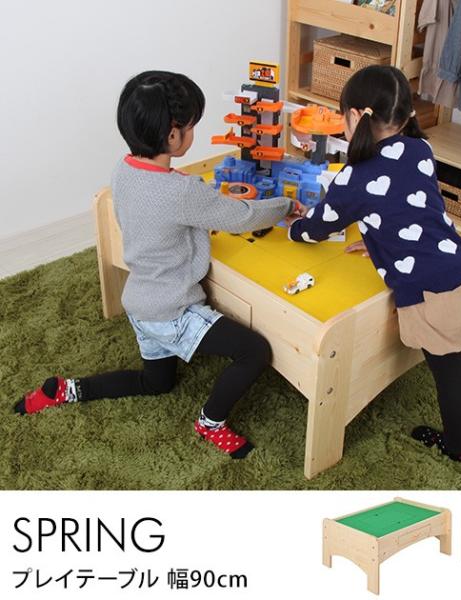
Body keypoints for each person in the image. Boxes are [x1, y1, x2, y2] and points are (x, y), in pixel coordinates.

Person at [16, 70, 301, 459]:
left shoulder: (123, 169)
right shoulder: (181, 190)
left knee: (157, 383)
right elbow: (242, 216)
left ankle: (67, 389)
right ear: (172, 135)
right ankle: (210, 422)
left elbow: (158, 208)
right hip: (171, 311)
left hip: (139, 303)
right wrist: (286, 205)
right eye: (191, 126)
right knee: (254, 351)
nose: (194, 132)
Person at [287, 65, 461, 474]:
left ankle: (457, 444)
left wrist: (294, 227)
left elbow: (317, 227)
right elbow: (409, 206)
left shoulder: (354, 177)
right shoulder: (420, 150)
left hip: (432, 292)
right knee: (458, 359)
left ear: (355, 115)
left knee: (449, 374)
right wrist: (380, 239)